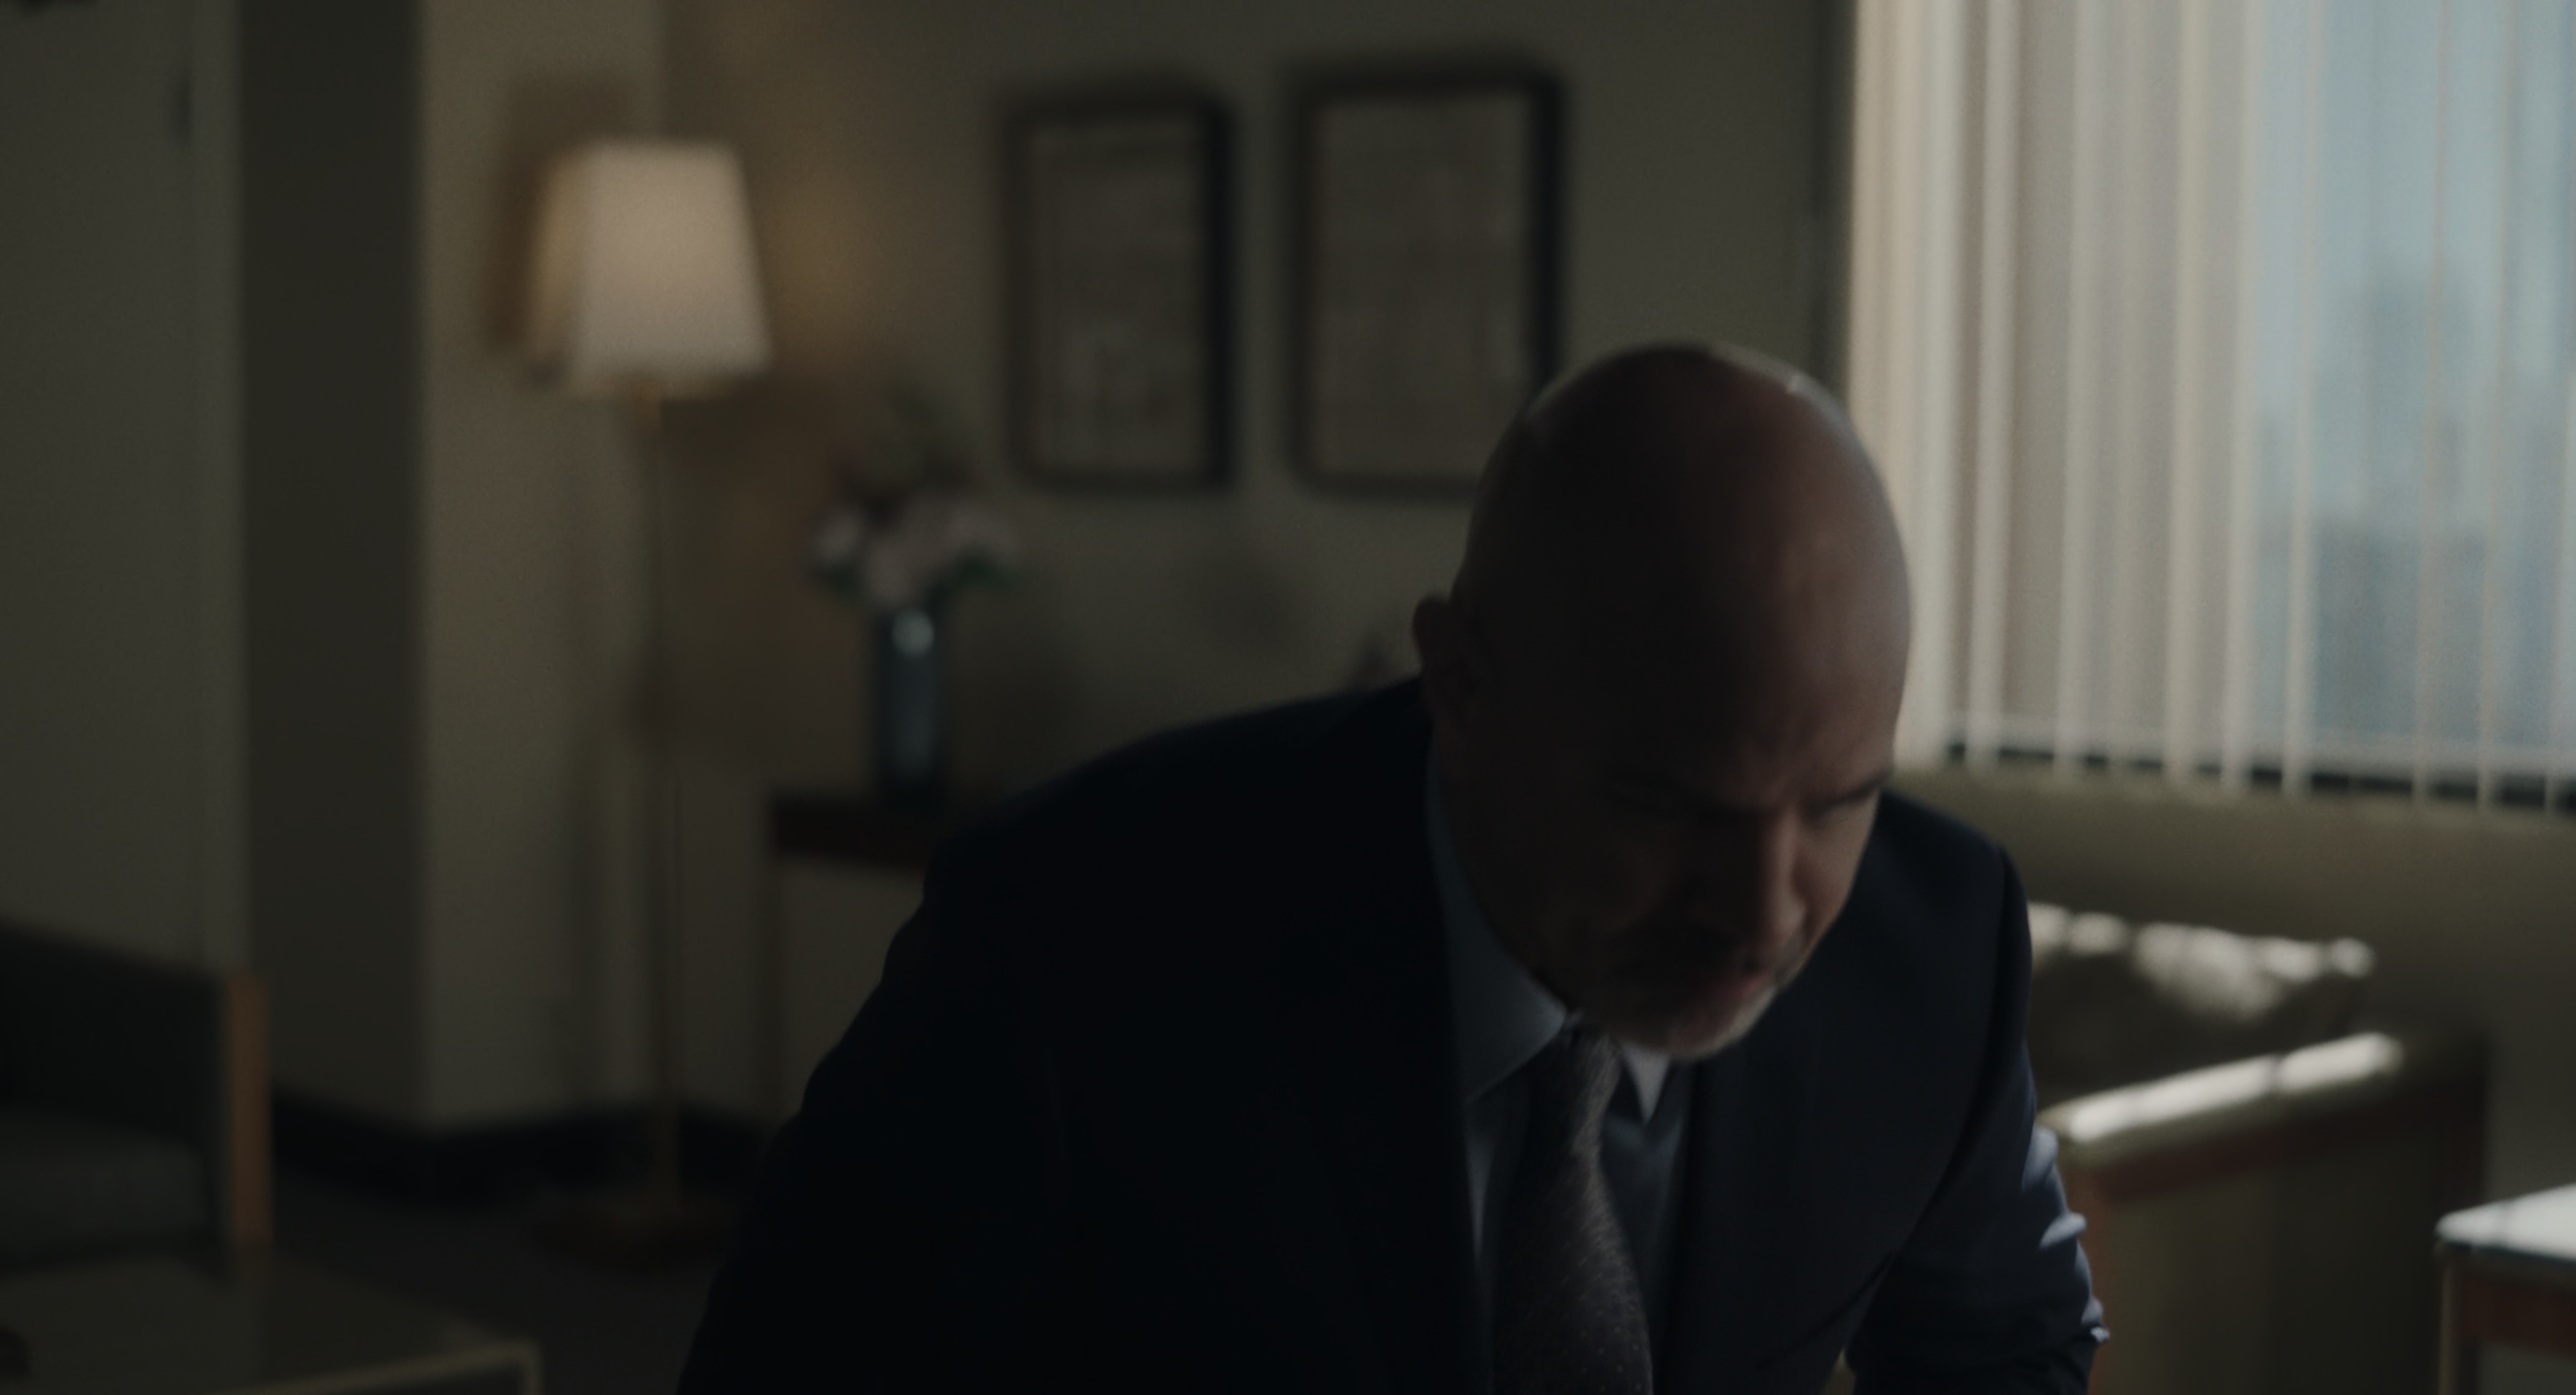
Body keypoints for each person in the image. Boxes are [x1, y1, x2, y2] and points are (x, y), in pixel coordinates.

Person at [679, 344, 2105, 1394]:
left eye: (1841, 801)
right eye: (1670, 805)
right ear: (1462, 689)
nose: (1763, 913)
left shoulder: (1934, 948)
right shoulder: (1067, 944)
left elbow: (2009, 1349)